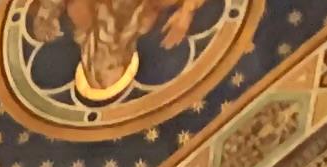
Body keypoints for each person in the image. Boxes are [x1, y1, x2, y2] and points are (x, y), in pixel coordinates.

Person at [19, 0, 214, 110]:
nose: (100, 61)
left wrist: (48, 11)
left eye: (96, 68)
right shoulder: (148, 14)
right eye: (112, 66)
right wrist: (187, 11)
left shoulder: (80, 13)